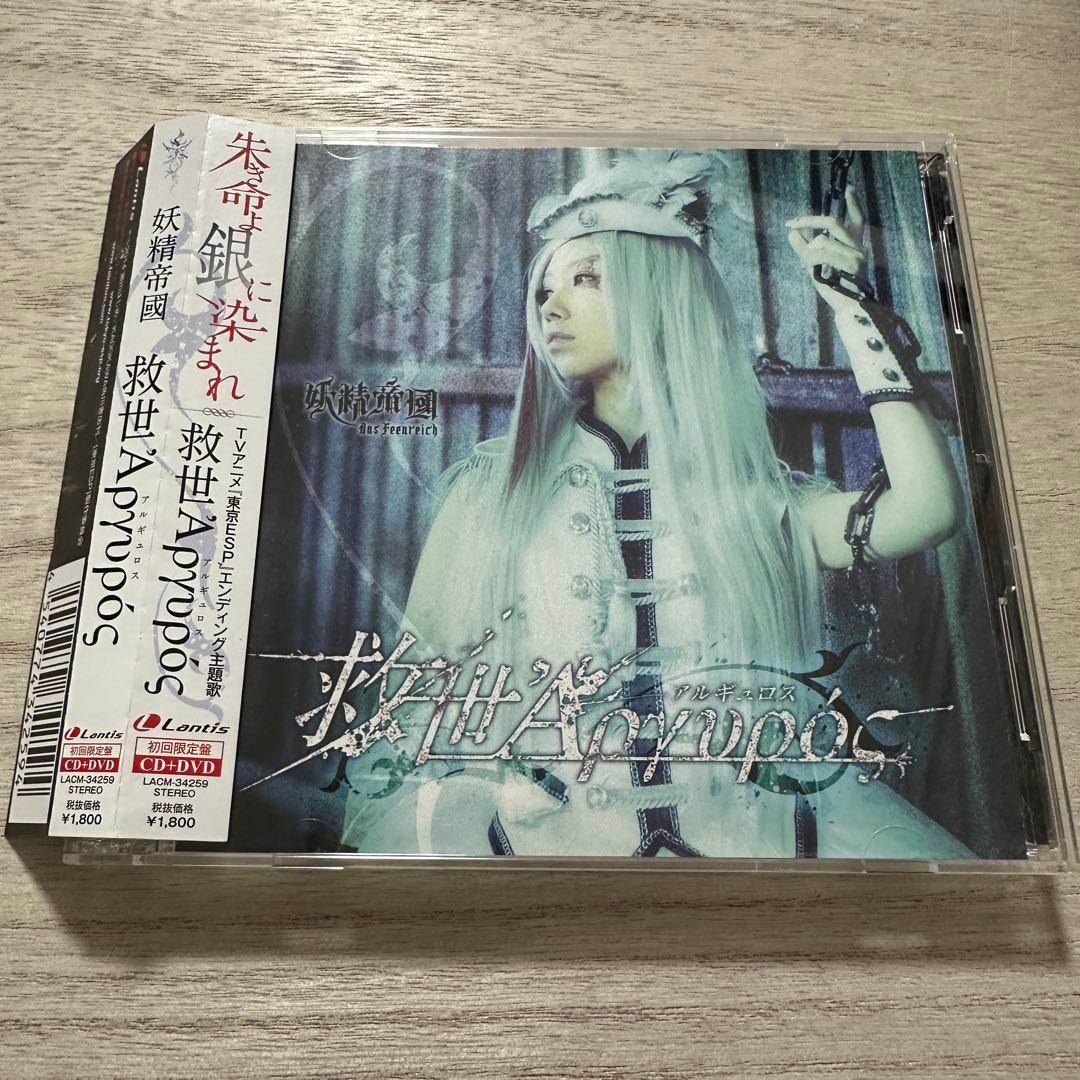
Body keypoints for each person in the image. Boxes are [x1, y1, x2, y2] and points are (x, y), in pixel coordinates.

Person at [341, 152, 973, 861]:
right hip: (545, 854)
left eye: (585, 279)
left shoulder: (752, 496)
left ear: (660, 292)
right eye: (546, 287)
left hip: (762, 849)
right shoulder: (494, 494)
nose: (551, 307)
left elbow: (926, 510)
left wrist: (854, 309)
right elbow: (416, 695)